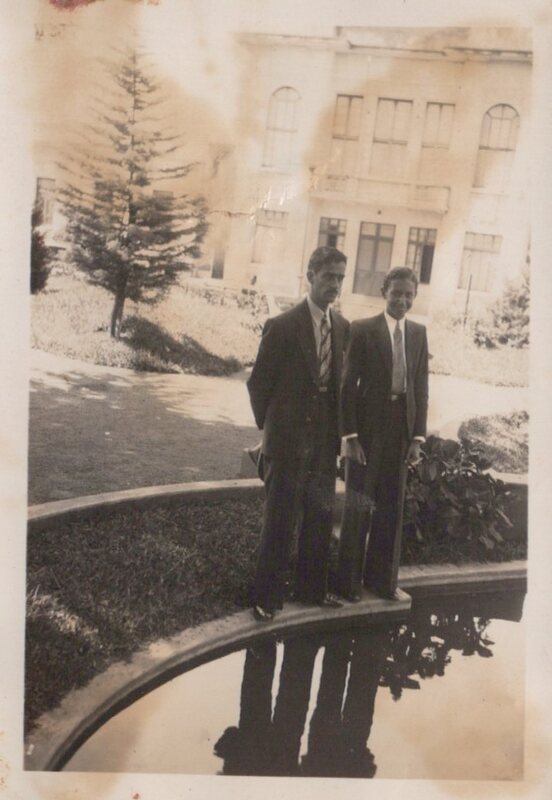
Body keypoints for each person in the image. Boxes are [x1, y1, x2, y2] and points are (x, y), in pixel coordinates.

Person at [247, 246, 349, 620]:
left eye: (340, 277)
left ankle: (311, 590)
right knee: (280, 520)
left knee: (319, 518)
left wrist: (336, 435)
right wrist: (274, 430)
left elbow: (338, 387)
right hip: (286, 441)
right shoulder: (283, 325)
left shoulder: (343, 328)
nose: (334, 284)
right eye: (328, 276)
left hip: (324, 441)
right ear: (310, 276)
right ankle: (266, 597)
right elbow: (258, 384)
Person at [337, 266, 429, 601]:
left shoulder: (418, 333)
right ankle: (348, 584)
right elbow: (347, 386)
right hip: (367, 430)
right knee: (359, 505)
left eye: (409, 294)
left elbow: (421, 387)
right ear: (384, 293)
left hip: (400, 431)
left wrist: (417, 438)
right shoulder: (363, 330)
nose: (402, 300)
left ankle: (381, 582)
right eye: (397, 293)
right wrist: (350, 437)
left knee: (391, 508)